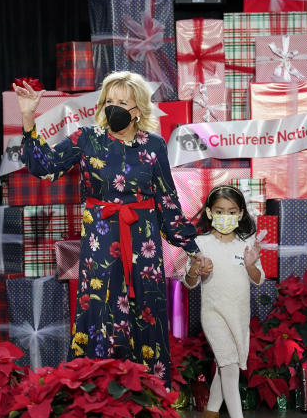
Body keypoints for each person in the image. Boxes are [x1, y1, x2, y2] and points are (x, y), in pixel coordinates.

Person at [13, 71, 211, 385]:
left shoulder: (154, 146)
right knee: (99, 313)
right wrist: (27, 115)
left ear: (139, 109)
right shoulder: (86, 138)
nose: (112, 107)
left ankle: (150, 396)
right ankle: (95, 397)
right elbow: (43, 166)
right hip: (101, 243)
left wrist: (193, 249)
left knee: (146, 312)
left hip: (143, 244)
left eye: (122, 101)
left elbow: (167, 202)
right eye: (109, 100)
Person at [183, 185, 263, 418]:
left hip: (238, 315)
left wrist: (251, 265)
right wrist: (196, 269)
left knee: (228, 363)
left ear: (240, 214)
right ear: (209, 212)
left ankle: (210, 416)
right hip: (213, 313)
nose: (225, 216)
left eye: (231, 211)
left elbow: (259, 279)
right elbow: (189, 282)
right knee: (229, 366)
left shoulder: (248, 243)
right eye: (219, 211)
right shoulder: (200, 244)